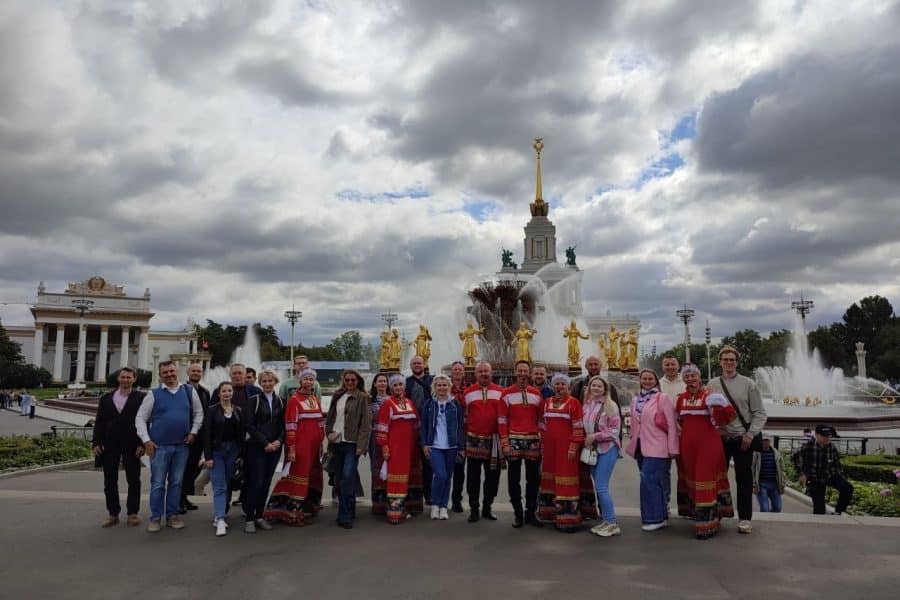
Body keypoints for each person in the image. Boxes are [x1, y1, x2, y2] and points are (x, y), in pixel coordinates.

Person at [135, 360, 204, 533]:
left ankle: (172, 515)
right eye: (165, 372)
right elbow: (140, 418)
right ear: (160, 375)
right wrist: (146, 440)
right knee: (158, 483)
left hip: (182, 447)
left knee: (176, 483)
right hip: (159, 448)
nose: (169, 374)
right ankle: (156, 517)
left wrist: (193, 431)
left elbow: (199, 413)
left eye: (172, 371)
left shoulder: (189, 391)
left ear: (177, 371)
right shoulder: (154, 394)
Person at [707, 345, 767, 534]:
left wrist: (750, 434)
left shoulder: (749, 384)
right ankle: (717, 514)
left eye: (732, 359)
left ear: (737, 362)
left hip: (743, 439)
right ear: (720, 362)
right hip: (721, 439)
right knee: (717, 478)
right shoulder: (712, 384)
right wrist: (716, 428)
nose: (729, 363)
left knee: (744, 479)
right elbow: (707, 411)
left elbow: (759, 413)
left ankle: (745, 518)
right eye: (725, 359)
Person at [675, 364, 735, 539]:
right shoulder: (681, 398)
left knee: (704, 479)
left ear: (699, 377)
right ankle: (701, 516)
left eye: (693, 376)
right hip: (687, 446)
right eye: (687, 376)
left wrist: (721, 405)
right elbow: (679, 421)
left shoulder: (710, 395)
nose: (690, 379)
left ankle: (707, 524)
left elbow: (726, 420)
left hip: (707, 446)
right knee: (692, 477)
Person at [264, 368, 325, 526]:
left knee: (313, 475)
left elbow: (320, 424)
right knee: (298, 476)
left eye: (311, 379)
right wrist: (291, 448)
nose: (309, 382)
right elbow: (290, 426)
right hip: (300, 446)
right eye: (306, 379)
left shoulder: (315, 400)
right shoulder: (294, 400)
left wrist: (321, 443)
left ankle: (308, 508)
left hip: (313, 446)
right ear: (301, 381)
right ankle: (291, 513)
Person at [624, 369, 678, 532]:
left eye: (650, 378)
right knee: (653, 481)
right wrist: (633, 440)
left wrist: (673, 447)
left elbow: (671, 424)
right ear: (640, 380)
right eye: (644, 378)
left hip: (658, 445)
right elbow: (634, 423)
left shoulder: (662, 398)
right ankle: (661, 515)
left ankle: (654, 518)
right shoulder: (635, 400)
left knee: (648, 480)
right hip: (641, 446)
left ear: (656, 380)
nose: (647, 381)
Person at [92, 367, 146, 528]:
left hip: (132, 444)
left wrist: (143, 443)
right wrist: (96, 442)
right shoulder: (106, 398)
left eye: (129, 377)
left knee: (134, 479)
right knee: (109, 480)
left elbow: (146, 421)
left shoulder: (141, 397)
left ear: (134, 379)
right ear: (118, 379)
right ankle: (113, 513)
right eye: (123, 377)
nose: (125, 380)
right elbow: (99, 421)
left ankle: (132, 513)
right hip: (110, 444)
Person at [211, 363, 262, 508]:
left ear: (245, 375)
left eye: (240, 373)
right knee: (226, 476)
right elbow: (211, 415)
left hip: (251, 440)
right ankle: (223, 507)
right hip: (228, 442)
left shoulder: (255, 391)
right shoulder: (220, 391)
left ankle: (247, 505)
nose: (237, 376)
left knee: (250, 475)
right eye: (234, 373)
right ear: (230, 375)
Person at [500, 360, 544, 528]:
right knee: (513, 480)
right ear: (515, 372)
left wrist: (544, 441)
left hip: (533, 441)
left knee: (533, 480)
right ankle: (518, 513)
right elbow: (502, 420)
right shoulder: (506, 394)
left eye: (526, 371)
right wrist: (505, 443)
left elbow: (541, 420)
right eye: (520, 371)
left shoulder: (536, 394)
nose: (523, 374)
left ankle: (530, 512)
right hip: (513, 441)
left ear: (529, 373)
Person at [325, 369, 371, 529]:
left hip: (352, 444)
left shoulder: (363, 397)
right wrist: (328, 433)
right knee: (341, 479)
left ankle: (344, 516)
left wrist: (361, 446)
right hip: (337, 443)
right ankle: (349, 510)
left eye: (353, 380)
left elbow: (366, 424)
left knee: (347, 478)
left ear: (358, 381)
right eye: (347, 380)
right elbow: (330, 417)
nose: (350, 382)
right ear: (343, 381)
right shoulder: (337, 396)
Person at [376, 374, 424, 524]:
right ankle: (394, 512)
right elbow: (382, 428)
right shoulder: (387, 404)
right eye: (395, 385)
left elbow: (417, 424)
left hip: (410, 448)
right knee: (397, 478)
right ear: (391, 388)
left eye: (400, 385)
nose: (398, 387)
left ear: (404, 386)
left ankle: (408, 507)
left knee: (409, 477)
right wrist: (385, 447)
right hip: (396, 448)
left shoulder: (409, 403)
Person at [539, 373, 584, 532]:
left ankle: (568, 518)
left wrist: (574, 446)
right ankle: (551, 513)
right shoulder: (546, 403)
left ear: (568, 387)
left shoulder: (574, 403)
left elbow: (578, 427)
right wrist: (543, 444)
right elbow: (542, 425)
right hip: (550, 449)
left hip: (566, 448)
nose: (559, 387)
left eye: (562, 384)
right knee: (550, 476)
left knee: (566, 477)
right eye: (557, 384)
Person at [242, 369, 285, 533]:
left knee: (266, 482)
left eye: (270, 381)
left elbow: (284, 425)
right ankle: (250, 518)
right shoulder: (254, 401)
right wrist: (265, 443)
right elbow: (249, 426)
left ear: (275, 382)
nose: (267, 384)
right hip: (257, 448)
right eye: (264, 381)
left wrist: (278, 441)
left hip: (274, 448)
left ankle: (260, 516)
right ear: (260, 383)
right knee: (256, 482)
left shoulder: (281, 401)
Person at [462, 361, 504, 522]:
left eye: (486, 371)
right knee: (473, 476)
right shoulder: (468, 393)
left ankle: (487, 507)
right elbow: (463, 418)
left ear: (491, 373)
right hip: (473, 439)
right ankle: (474, 508)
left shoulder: (501, 392)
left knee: (493, 476)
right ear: (475, 374)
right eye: (481, 372)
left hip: (494, 440)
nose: (484, 374)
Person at [203, 381, 245, 537]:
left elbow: (241, 435)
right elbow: (206, 434)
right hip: (217, 451)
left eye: (229, 390)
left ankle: (221, 512)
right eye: (224, 391)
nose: (227, 393)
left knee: (227, 483)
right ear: (219, 393)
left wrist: (241, 455)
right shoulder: (212, 411)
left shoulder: (238, 410)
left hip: (233, 451)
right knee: (219, 485)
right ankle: (220, 519)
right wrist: (207, 456)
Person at [421, 374, 465, 521]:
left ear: (449, 387)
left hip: (451, 446)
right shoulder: (429, 404)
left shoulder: (455, 404)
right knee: (440, 475)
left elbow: (460, 427)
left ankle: (443, 506)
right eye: (439, 385)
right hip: (435, 445)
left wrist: (461, 445)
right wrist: (425, 444)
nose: (442, 388)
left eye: (444, 385)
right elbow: (424, 426)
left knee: (448, 477)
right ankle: (435, 504)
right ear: (435, 387)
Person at [582, 375, 622, 537]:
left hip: (607, 449)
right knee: (599, 487)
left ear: (605, 389)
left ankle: (612, 523)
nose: (596, 388)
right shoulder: (587, 405)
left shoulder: (610, 406)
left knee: (601, 487)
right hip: (592, 451)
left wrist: (595, 436)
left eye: (599, 386)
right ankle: (606, 520)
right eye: (593, 385)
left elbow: (614, 431)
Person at [792, 425, 854, 515]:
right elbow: (795, 457)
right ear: (817, 435)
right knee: (819, 509)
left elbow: (837, 463)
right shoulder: (808, 446)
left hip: (829, 475)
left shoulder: (831, 447)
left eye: (829, 436)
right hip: (815, 478)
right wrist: (801, 474)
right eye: (824, 436)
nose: (827, 438)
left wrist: (841, 477)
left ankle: (838, 511)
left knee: (847, 488)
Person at [180, 362, 211, 514]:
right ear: (188, 372)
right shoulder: (182, 390)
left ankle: (183, 497)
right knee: (183, 469)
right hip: (186, 436)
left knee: (193, 469)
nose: (196, 373)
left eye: (199, 371)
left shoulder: (205, 392)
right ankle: (178, 500)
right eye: (193, 371)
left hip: (199, 437)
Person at [406, 355, 434, 504]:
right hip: (411, 427)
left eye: (419, 363)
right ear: (411, 366)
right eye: (414, 363)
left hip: (428, 427)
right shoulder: (406, 382)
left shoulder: (432, 381)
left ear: (424, 365)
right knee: (411, 462)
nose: (417, 365)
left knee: (428, 462)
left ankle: (428, 494)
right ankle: (413, 493)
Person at [368, 373, 391, 515]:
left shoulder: (393, 399)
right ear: (375, 384)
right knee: (376, 470)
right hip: (375, 439)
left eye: (384, 381)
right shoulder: (369, 401)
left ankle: (390, 500)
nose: (382, 384)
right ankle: (377, 502)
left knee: (390, 468)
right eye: (379, 381)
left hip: (390, 439)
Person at [449, 361, 468, 513]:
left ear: (463, 372)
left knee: (459, 469)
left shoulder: (468, 389)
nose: (457, 372)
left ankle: (457, 500)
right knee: (443, 470)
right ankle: (441, 500)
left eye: (459, 369)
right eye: (454, 369)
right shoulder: (444, 387)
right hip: (446, 433)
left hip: (464, 434)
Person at [753, 435, 785, 513]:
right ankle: (764, 522)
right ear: (761, 442)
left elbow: (782, 470)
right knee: (764, 509)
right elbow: (752, 470)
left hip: (775, 484)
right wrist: (753, 485)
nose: (766, 442)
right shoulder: (756, 454)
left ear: (770, 442)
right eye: (764, 441)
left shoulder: (777, 454)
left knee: (778, 508)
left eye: (767, 441)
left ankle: (771, 520)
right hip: (762, 484)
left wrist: (782, 484)